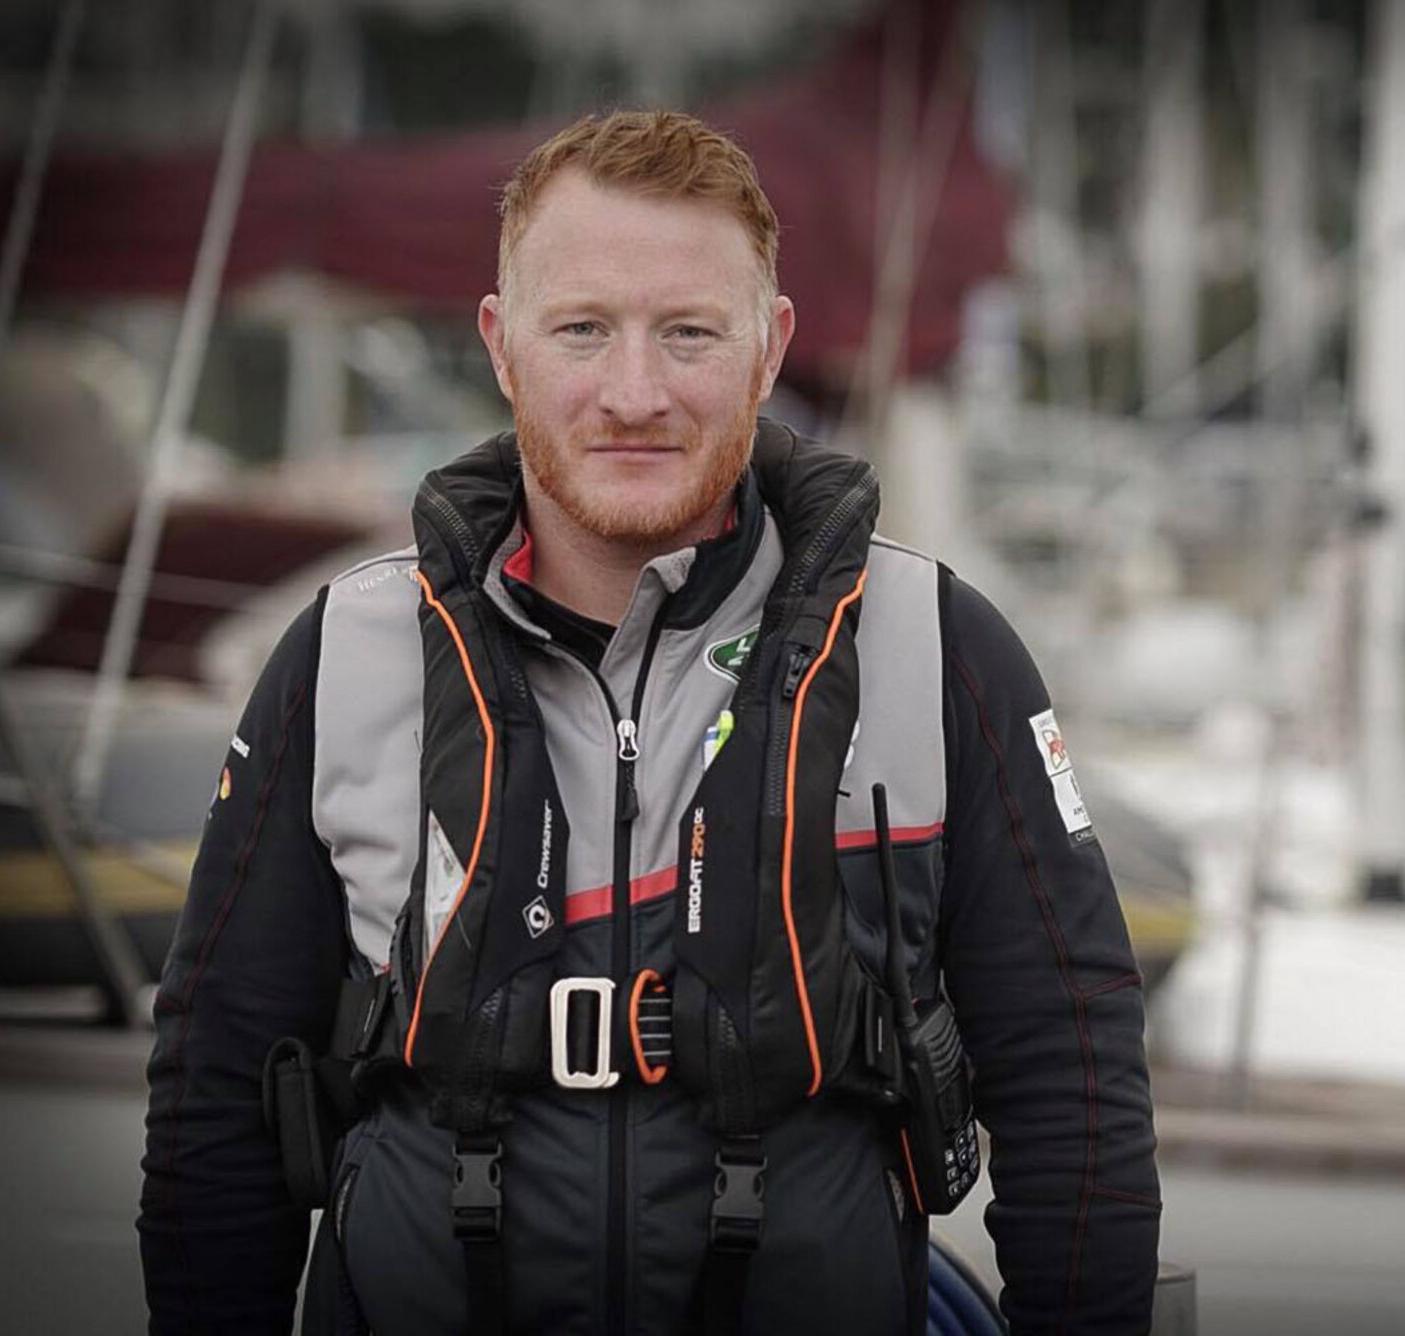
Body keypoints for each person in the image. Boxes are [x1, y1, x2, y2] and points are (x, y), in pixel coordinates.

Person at [138, 109, 1160, 1335]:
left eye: (688, 332)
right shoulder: (344, 659)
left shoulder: (933, 650)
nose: (634, 392)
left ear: (768, 346)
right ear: (501, 344)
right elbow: (215, 1095)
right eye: (581, 329)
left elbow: (1074, 1080)